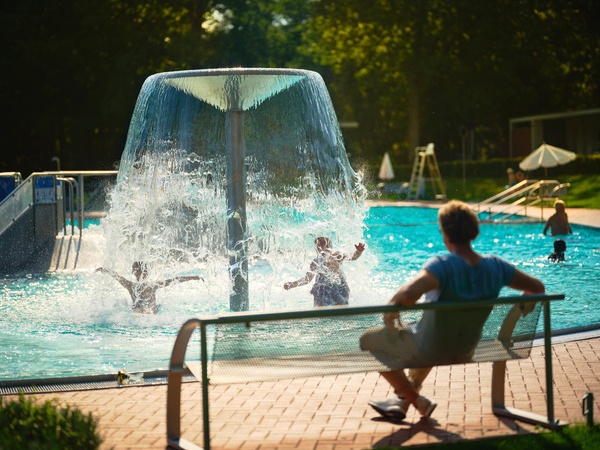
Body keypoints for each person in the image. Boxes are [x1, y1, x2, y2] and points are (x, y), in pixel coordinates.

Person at [359, 200, 545, 421]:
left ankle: (412, 398)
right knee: (425, 333)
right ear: (474, 231)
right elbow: (537, 287)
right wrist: (519, 311)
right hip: (466, 349)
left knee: (367, 340)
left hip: (431, 349)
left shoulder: (442, 266)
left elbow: (408, 295)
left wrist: (391, 308)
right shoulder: (497, 267)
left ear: (444, 233)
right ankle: (403, 402)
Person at [284, 236, 365, 307]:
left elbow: (352, 257)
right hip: (323, 289)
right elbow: (307, 279)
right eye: (319, 246)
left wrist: (358, 251)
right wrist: (292, 284)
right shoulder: (315, 262)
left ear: (330, 246)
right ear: (317, 248)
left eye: (325, 245)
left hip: (339, 286)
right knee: (318, 286)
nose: (322, 248)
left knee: (341, 307)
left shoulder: (336, 255)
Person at [96, 261, 203, 314]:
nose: (142, 274)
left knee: (151, 308)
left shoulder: (153, 285)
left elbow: (173, 280)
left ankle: (148, 313)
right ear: (133, 273)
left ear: (147, 273)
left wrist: (193, 277)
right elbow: (117, 276)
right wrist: (105, 270)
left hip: (152, 309)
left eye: (144, 271)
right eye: (139, 271)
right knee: (139, 307)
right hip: (140, 310)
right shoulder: (131, 286)